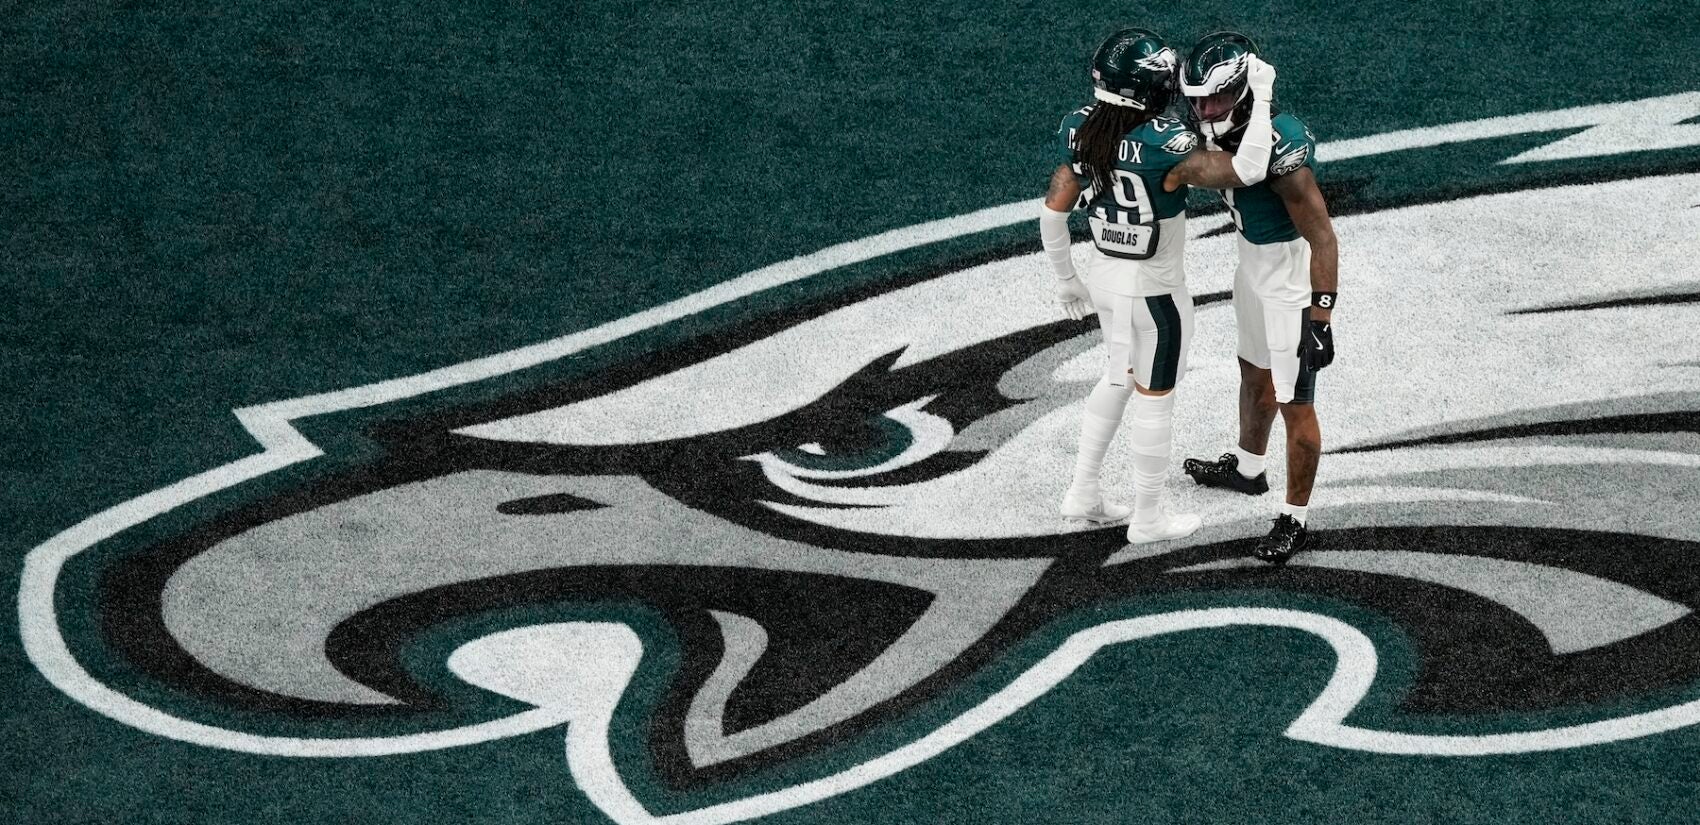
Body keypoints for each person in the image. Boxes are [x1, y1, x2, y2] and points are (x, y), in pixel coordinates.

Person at [1043, 27, 1279, 544]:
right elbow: (1249, 168)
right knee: (1155, 399)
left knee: (1115, 378)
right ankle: (1148, 519)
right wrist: (1261, 96)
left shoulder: (1081, 129)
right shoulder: (1163, 146)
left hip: (1104, 279)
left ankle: (1083, 493)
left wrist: (1066, 281)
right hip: (1153, 294)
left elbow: (1054, 210)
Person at [1163, 31, 1339, 564]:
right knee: (1253, 374)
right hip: (1250, 271)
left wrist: (1321, 314)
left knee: (1295, 403)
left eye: (1214, 98)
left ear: (1242, 91)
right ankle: (1247, 469)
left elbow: (1323, 237)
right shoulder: (1223, 133)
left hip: (1287, 282)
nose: (1202, 109)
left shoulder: (1279, 144)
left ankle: (1295, 517)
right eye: (1194, 99)